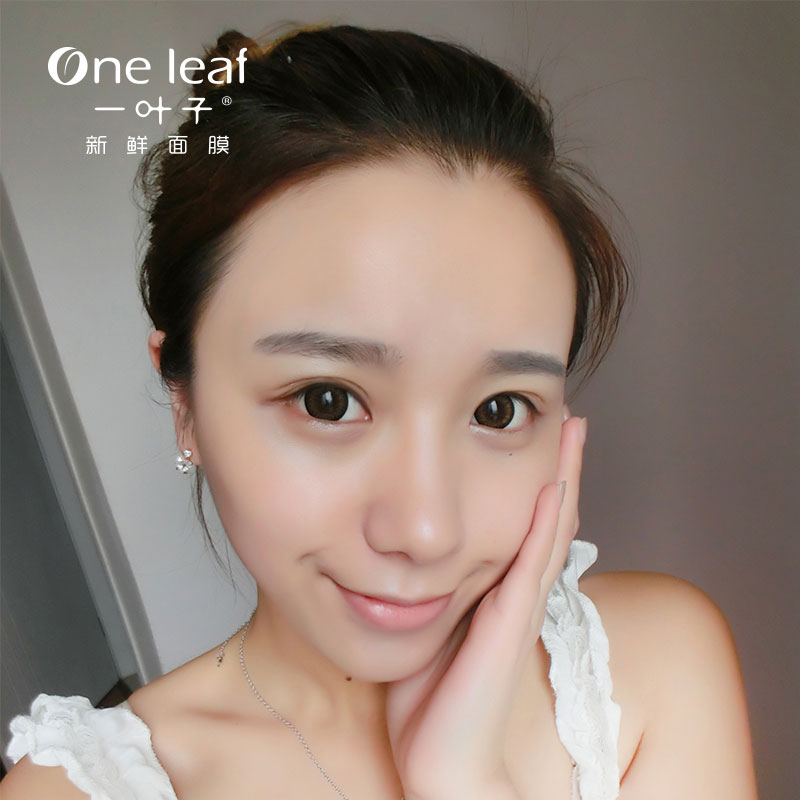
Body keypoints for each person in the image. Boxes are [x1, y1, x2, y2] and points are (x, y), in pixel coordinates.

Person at [3, 22, 758, 800]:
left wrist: (463, 779)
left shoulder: (650, 670)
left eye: (500, 410)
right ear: (186, 402)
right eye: (328, 401)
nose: (426, 531)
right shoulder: (71, 790)